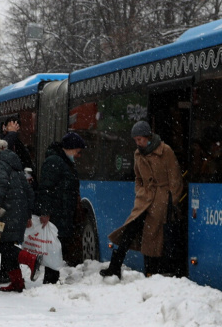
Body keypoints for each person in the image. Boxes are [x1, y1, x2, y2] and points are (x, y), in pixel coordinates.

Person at [100, 121, 183, 279]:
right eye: (135, 140)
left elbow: (175, 179)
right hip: (144, 199)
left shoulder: (166, 151)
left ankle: (152, 271)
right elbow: (138, 178)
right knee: (130, 229)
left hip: (161, 200)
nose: (137, 143)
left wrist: (170, 200)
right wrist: (140, 191)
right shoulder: (137, 154)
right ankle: (115, 266)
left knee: (153, 237)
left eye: (140, 139)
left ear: (148, 137)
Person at [0, 138, 43, 293]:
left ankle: (31, 260)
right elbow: (28, 191)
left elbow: (1, 183)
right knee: (7, 246)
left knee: (5, 247)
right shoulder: (16, 165)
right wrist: (28, 214)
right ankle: (17, 283)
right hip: (19, 210)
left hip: (6, 210)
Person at [35, 132, 86, 284]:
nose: (78, 155)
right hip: (56, 214)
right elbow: (46, 188)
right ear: (69, 148)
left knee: (57, 247)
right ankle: (50, 280)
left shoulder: (64, 162)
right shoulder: (54, 162)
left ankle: (52, 279)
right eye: (78, 151)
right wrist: (45, 212)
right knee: (53, 248)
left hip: (62, 213)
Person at [0, 115, 34, 182]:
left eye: (15, 127)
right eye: (10, 126)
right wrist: (12, 133)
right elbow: (5, 149)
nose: (13, 129)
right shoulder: (0, 141)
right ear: (4, 127)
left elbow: (26, 162)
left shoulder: (19, 143)